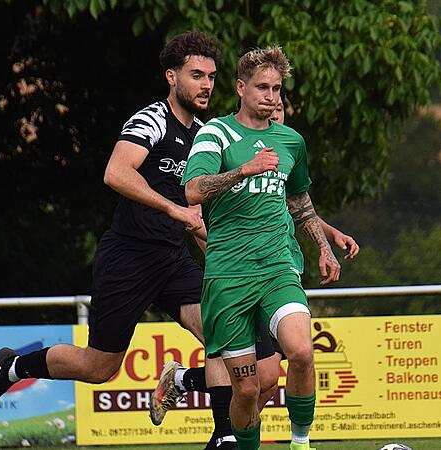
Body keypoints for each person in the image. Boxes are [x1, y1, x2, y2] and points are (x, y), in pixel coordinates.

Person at [0, 31, 238, 449]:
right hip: (128, 258)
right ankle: (12, 366)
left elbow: (197, 216)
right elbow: (116, 173)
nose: (206, 84)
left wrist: (219, 255)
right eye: (196, 75)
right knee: (98, 368)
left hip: (173, 259)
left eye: (211, 76)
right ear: (172, 77)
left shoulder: (205, 136)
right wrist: (172, 209)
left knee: (224, 334)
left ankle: (223, 437)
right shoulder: (151, 120)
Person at [151, 97, 359, 438]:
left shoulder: (284, 145)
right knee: (253, 382)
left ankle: (232, 425)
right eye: (269, 105)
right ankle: (226, 433)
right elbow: (197, 214)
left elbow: (292, 201)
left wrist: (329, 238)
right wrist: (222, 250)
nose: (273, 114)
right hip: (234, 276)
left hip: (277, 269)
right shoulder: (222, 142)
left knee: (271, 374)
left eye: (278, 110)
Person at [182, 46, 335, 450]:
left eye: (277, 88)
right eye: (262, 87)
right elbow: (193, 190)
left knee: (301, 352)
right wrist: (243, 170)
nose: (271, 96)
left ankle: (301, 443)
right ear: (240, 88)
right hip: (228, 276)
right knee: (247, 390)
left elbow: (299, 201)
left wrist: (323, 245)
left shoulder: (291, 141)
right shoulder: (216, 133)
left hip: (278, 267)